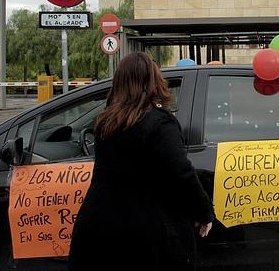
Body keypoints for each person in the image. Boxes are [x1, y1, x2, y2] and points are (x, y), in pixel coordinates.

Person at [68, 52, 214, 271]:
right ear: (153, 81)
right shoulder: (159, 124)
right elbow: (181, 173)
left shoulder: (105, 121)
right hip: (145, 235)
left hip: (98, 228)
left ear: (119, 83)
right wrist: (203, 212)